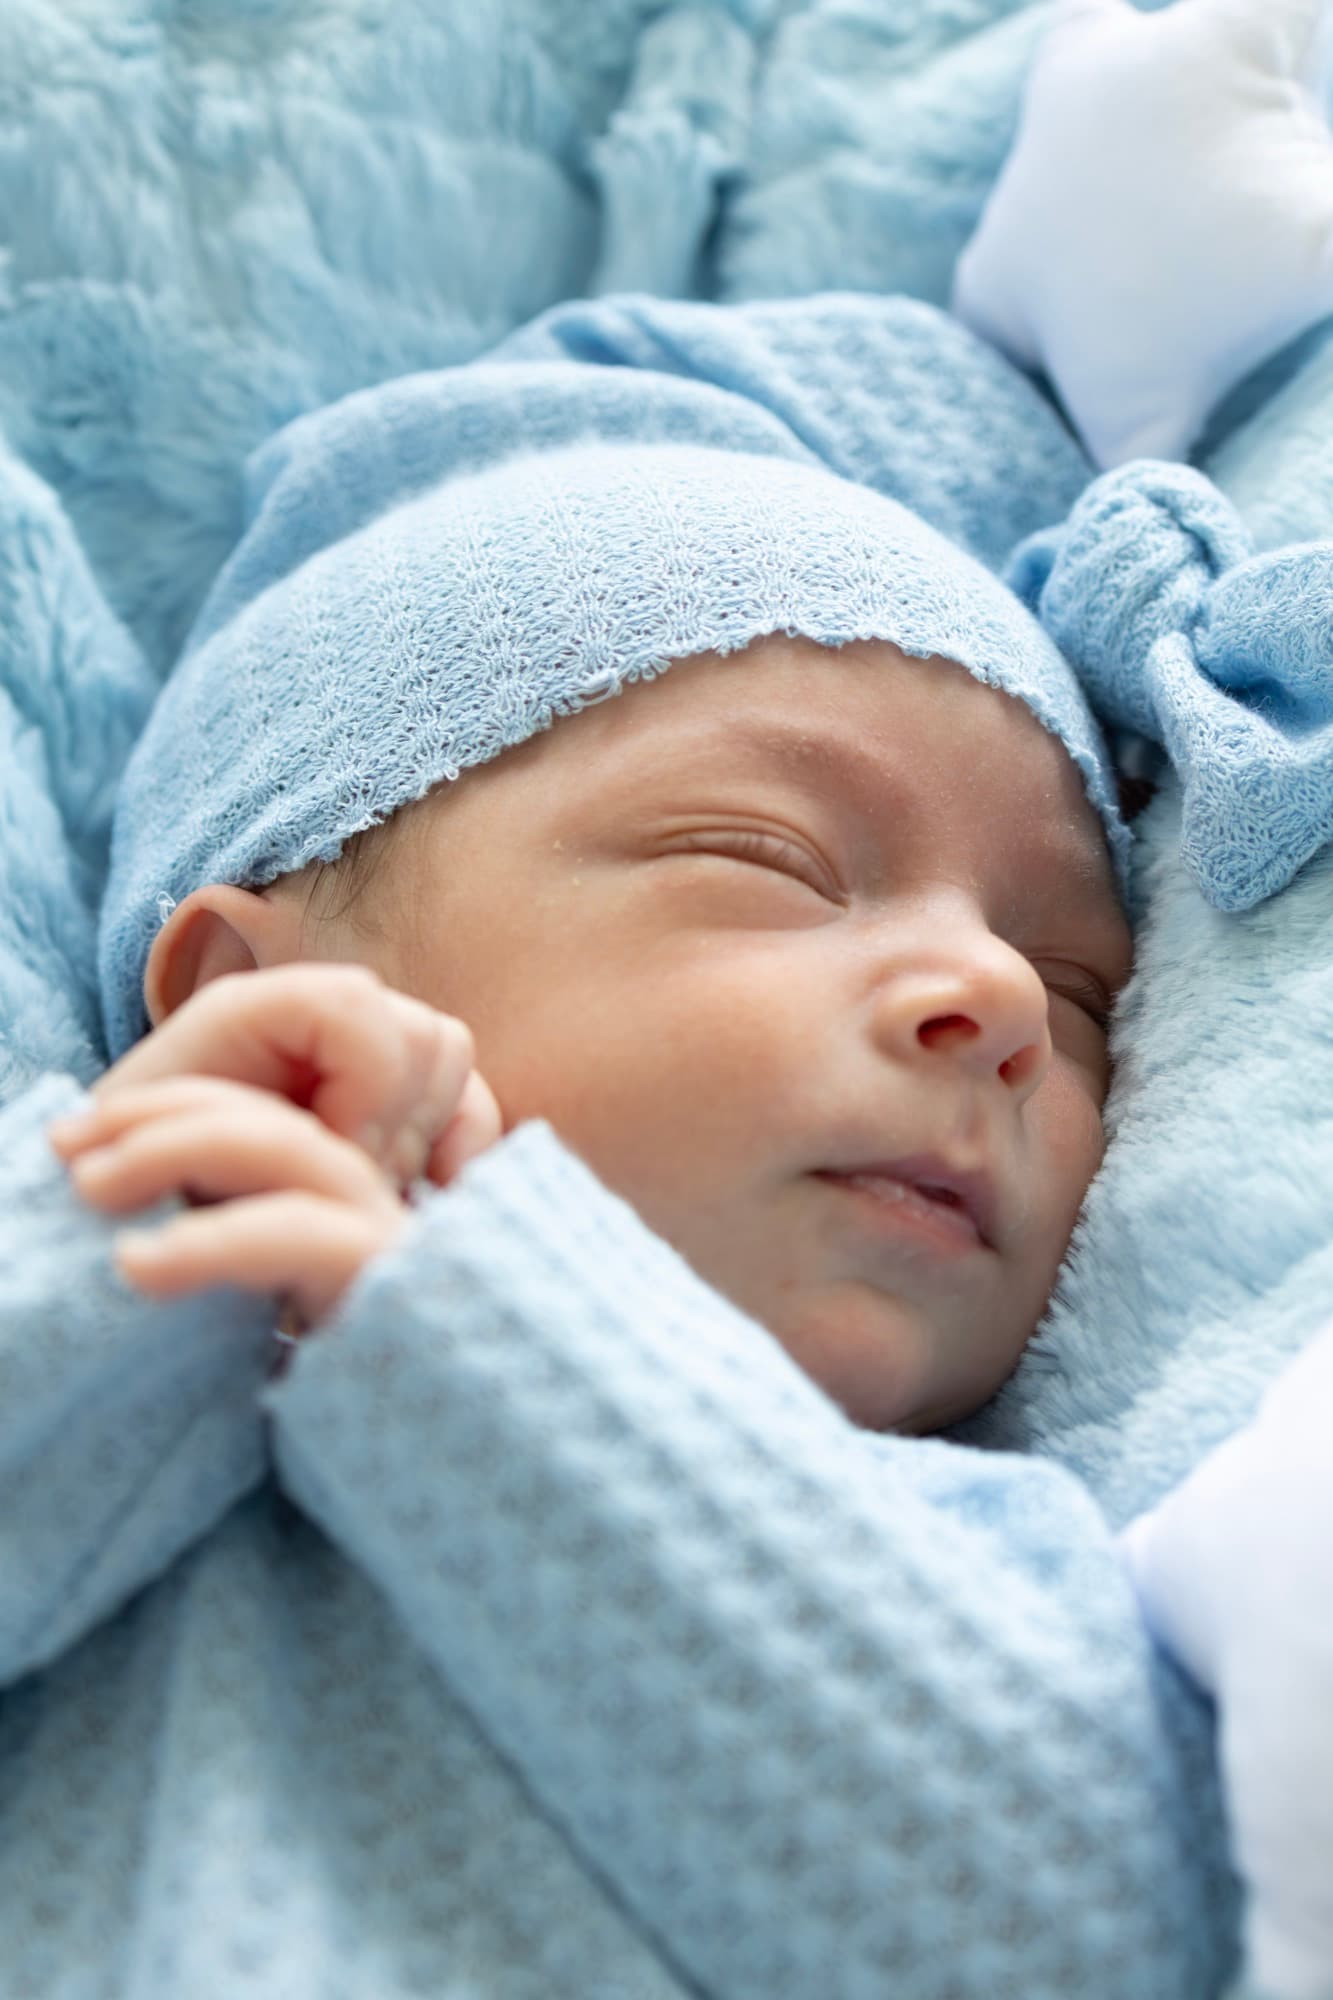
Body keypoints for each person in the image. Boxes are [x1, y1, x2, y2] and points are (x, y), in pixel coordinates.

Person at [3, 295, 1235, 1998]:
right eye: (771, 859)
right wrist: (111, 1242)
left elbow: (1121, 1944)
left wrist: (507, 1353)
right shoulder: (115, 1379)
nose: (993, 997)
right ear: (256, 990)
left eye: (1080, 990)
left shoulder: (988, 1559)